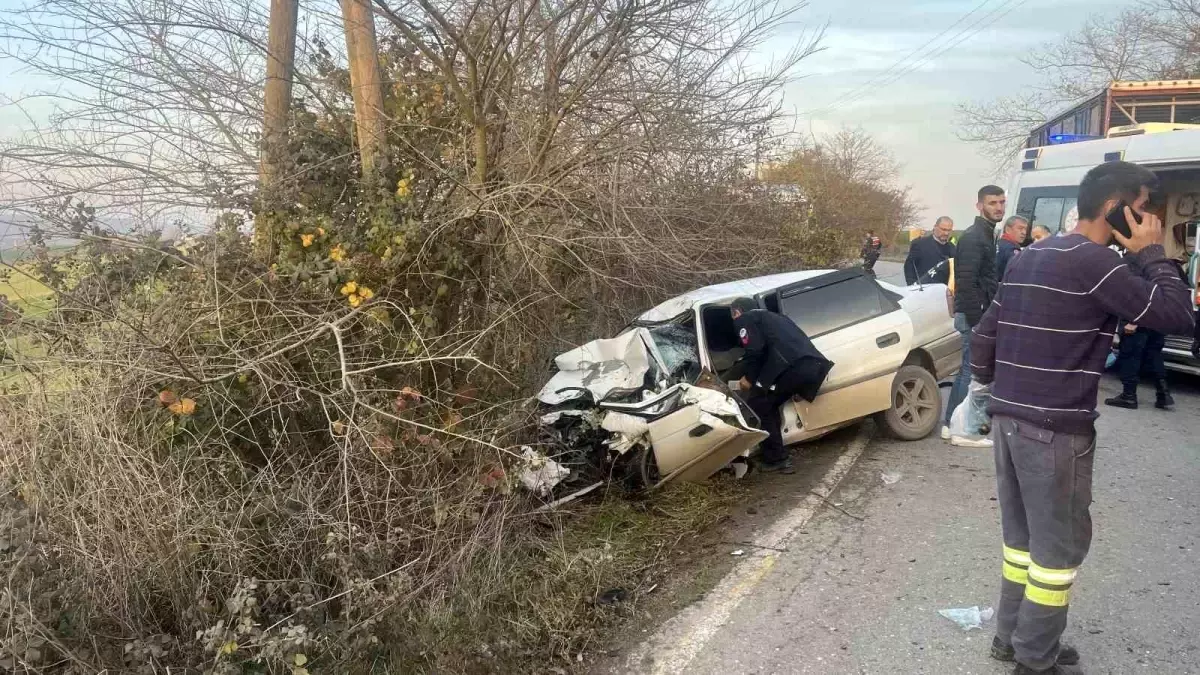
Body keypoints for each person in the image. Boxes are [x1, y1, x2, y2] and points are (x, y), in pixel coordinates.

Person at [970, 161, 1195, 675]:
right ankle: (1035, 659)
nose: (1151, 220)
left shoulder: (1032, 254)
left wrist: (998, 391)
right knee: (1057, 552)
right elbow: (1178, 316)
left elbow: (985, 336)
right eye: (1144, 209)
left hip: (1008, 420)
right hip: (1054, 431)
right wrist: (1152, 254)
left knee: (1022, 543)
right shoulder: (1098, 264)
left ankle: (1012, 638)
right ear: (1115, 207)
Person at [730, 297, 834, 474]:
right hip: (813, 365)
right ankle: (776, 454)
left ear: (737, 311)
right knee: (767, 403)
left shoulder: (744, 319)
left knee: (757, 404)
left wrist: (749, 378)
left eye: (732, 315)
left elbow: (754, 351)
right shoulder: (776, 317)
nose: (734, 319)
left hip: (792, 368)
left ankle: (777, 459)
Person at [943, 185, 1005, 444]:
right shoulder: (973, 237)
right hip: (974, 315)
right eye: (992, 203)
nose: (998, 207)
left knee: (971, 371)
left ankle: (954, 425)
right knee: (970, 371)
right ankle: (959, 428)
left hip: (978, 313)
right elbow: (966, 283)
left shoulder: (987, 234)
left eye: (1001, 202)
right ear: (979, 206)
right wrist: (979, 320)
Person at [1104, 321, 1172, 410]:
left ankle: (1128, 395)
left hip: (1139, 322)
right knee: (1154, 355)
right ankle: (1163, 393)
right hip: (1158, 322)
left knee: (1130, 355)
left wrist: (1133, 322)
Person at [904, 216, 956, 284]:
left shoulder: (953, 248)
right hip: (925, 287)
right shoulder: (920, 244)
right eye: (943, 229)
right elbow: (909, 267)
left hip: (945, 289)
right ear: (935, 227)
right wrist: (913, 286)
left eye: (949, 230)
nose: (946, 233)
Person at [996, 216, 1030, 281]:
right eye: (1020, 228)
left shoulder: (997, 244)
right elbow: (1017, 274)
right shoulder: (1011, 249)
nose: (1024, 232)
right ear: (1008, 230)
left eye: (1025, 229)